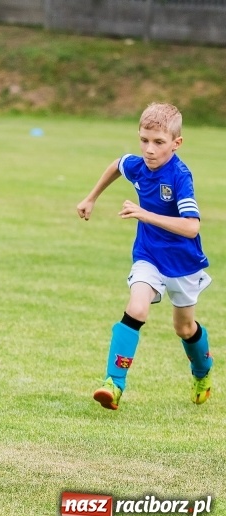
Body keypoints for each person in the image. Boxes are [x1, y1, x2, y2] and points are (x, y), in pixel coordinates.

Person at [76, 102, 213, 410]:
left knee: (184, 328)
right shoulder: (138, 165)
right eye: (144, 140)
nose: (149, 149)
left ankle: (202, 372)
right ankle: (113, 384)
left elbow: (191, 227)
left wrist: (144, 214)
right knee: (136, 308)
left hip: (183, 263)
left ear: (176, 144)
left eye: (158, 142)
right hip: (148, 254)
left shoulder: (180, 176)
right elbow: (117, 164)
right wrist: (91, 197)